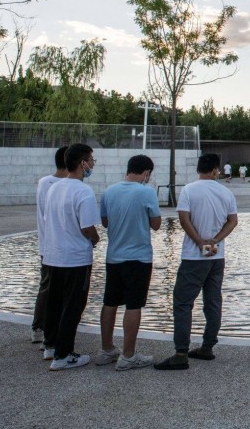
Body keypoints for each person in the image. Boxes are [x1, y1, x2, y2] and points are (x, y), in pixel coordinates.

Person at [155, 153, 239, 371]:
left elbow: (184, 219)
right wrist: (216, 241)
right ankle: (207, 347)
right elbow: (233, 221)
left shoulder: (189, 190)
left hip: (194, 257)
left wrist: (200, 242)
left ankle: (181, 352)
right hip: (217, 257)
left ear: (199, 169)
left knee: (183, 303)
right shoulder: (226, 192)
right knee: (213, 302)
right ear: (214, 170)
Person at [94, 154, 162, 371]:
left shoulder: (109, 191)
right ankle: (129, 355)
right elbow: (157, 224)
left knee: (110, 301)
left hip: (114, 256)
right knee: (134, 304)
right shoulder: (147, 192)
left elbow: (105, 222)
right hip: (138, 258)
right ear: (147, 173)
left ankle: (106, 350)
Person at [41, 143, 100, 370]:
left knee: (54, 303)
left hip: (54, 255)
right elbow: (87, 227)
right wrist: (96, 240)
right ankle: (64, 355)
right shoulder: (83, 191)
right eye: (91, 160)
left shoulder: (54, 187)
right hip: (75, 258)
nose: (93, 164)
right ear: (82, 163)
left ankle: (51, 346)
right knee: (73, 305)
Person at [32, 146, 67, 349]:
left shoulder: (58, 183)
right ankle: (39, 327)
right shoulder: (48, 183)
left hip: (62, 249)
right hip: (51, 247)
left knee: (60, 289)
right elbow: (49, 216)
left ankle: (54, 328)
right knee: (47, 286)